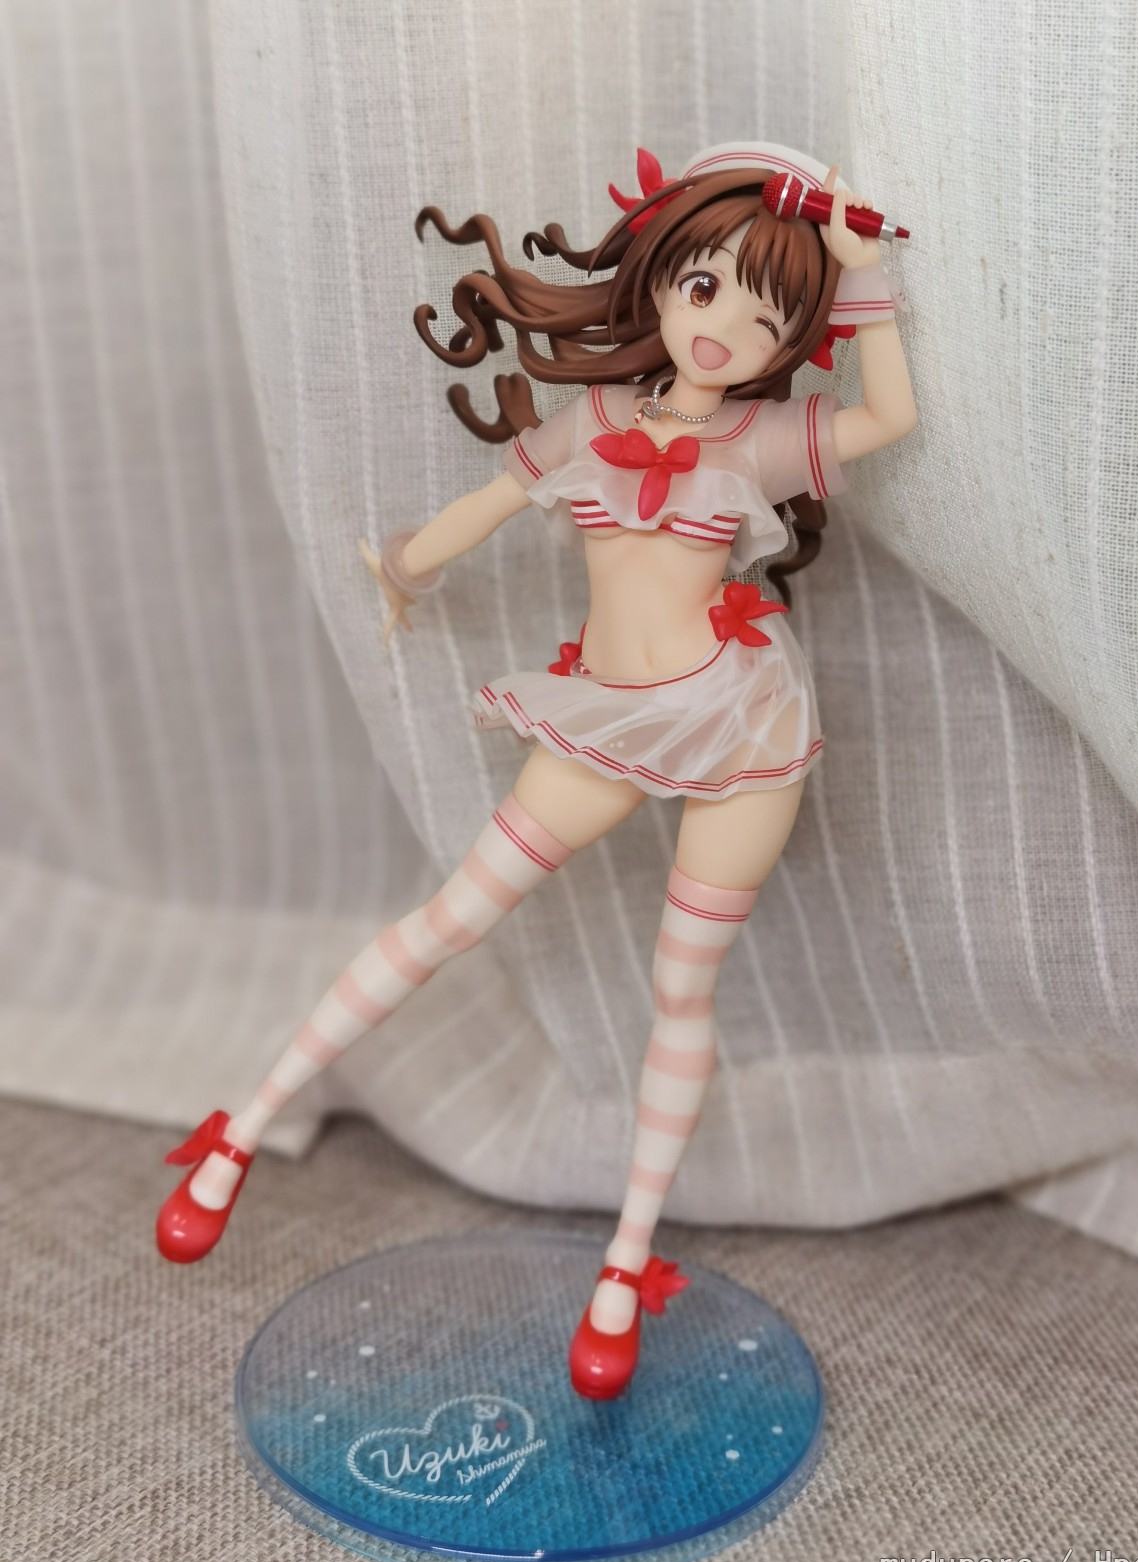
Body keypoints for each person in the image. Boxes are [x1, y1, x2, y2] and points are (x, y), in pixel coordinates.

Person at [156, 141, 918, 1403]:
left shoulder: (762, 439)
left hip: (738, 729)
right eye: (708, 287)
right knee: (454, 914)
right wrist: (403, 569)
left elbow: (890, 417)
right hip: (605, 716)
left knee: (681, 983)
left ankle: (624, 1264)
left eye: (768, 318)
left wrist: (866, 274)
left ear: (792, 341)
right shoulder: (592, 423)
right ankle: (240, 1124)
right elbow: (484, 509)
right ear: (662, 277)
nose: (726, 328)